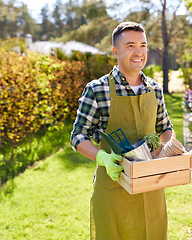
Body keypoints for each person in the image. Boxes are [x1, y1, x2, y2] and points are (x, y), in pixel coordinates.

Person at [70, 21, 175, 240]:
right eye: (130, 46)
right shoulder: (98, 89)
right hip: (113, 186)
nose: (139, 52)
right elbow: (78, 136)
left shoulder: (154, 89)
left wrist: (166, 150)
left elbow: (165, 128)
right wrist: (103, 157)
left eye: (143, 45)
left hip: (151, 187)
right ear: (116, 52)